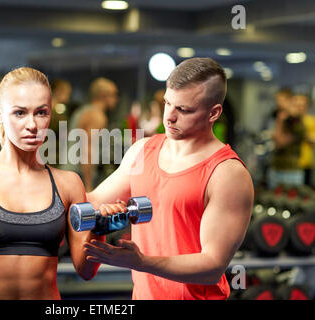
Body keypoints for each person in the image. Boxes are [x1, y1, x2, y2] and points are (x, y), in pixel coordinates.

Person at [0, 67, 124, 300]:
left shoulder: (68, 184)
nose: (33, 125)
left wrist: (100, 230)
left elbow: (85, 270)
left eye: (41, 112)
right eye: (20, 113)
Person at [83, 57, 254, 300]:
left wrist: (142, 262)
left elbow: (212, 266)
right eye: (167, 103)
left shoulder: (227, 173)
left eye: (184, 109)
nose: (170, 117)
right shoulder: (143, 150)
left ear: (213, 113)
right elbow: (94, 200)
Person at [63, 77, 119, 191]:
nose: (116, 99)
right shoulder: (96, 116)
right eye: (114, 94)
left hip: (70, 174)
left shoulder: (83, 111)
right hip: (78, 176)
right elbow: (87, 150)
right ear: (104, 95)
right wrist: (89, 186)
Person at [268, 90, 305, 189]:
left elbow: (280, 143)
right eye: (278, 101)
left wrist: (280, 120)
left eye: (282, 101)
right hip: (276, 168)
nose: (279, 104)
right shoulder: (282, 118)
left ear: (290, 102)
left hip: (291, 172)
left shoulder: (296, 122)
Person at [295, 93, 315, 186]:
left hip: (305, 163)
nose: (299, 108)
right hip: (291, 164)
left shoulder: (311, 121)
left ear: (306, 106)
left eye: (302, 105)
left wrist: (304, 134)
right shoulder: (289, 121)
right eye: (297, 105)